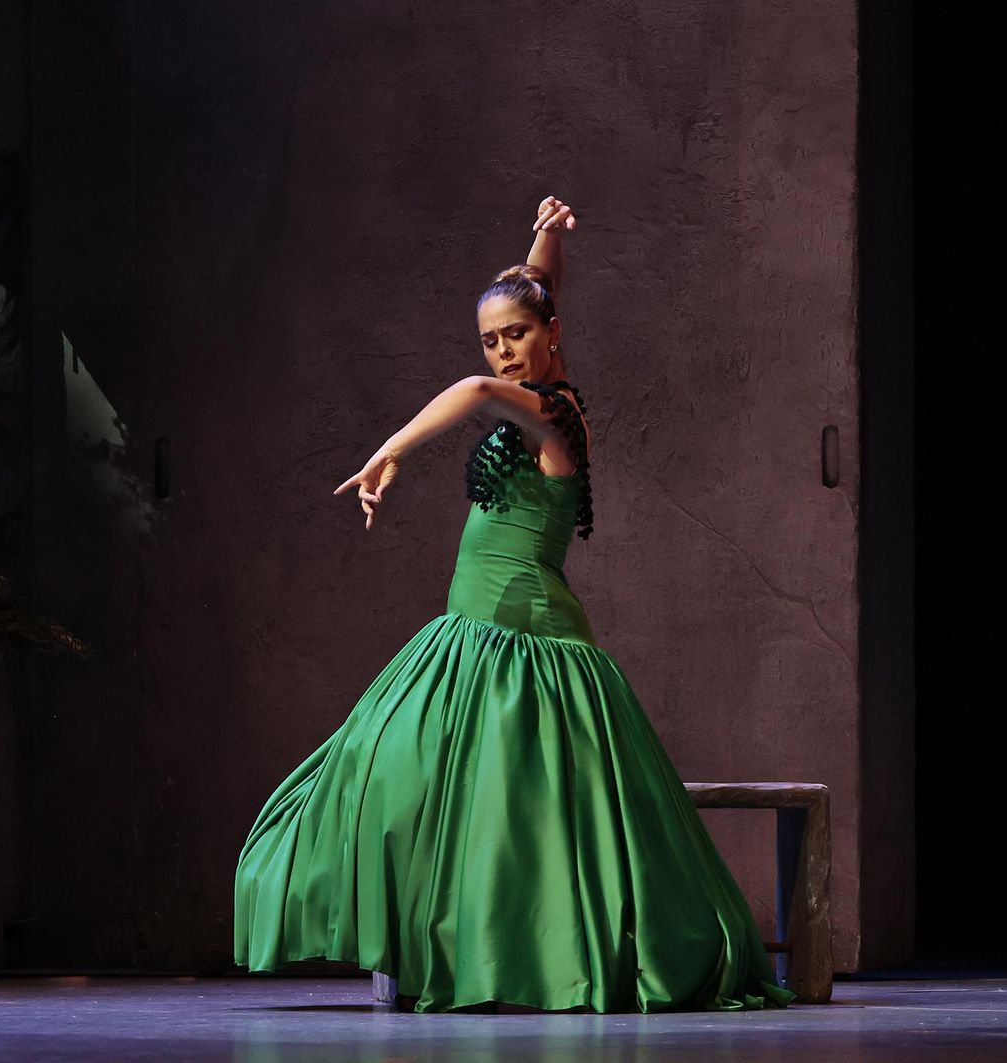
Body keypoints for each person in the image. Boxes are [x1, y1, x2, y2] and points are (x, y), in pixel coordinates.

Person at [232, 196, 796, 1015]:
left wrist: (388, 450)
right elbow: (534, 285)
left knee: (519, 814)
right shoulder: (533, 351)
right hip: (469, 632)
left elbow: (472, 390)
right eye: (492, 340)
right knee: (390, 777)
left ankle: (519, 956)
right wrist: (549, 236)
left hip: (521, 636)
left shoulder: (556, 418)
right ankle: (444, 947)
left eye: (518, 336)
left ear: (554, 334)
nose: (503, 353)